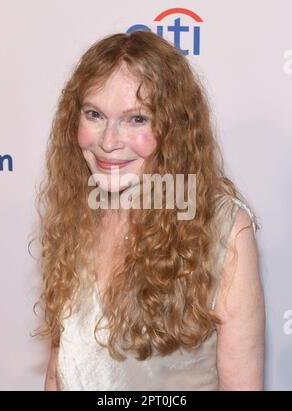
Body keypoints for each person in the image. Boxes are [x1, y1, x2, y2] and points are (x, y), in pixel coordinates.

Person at [34, 30, 265, 391]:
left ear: (174, 127)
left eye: (136, 119)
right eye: (94, 114)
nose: (109, 142)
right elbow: (58, 371)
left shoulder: (221, 231)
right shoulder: (73, 214)